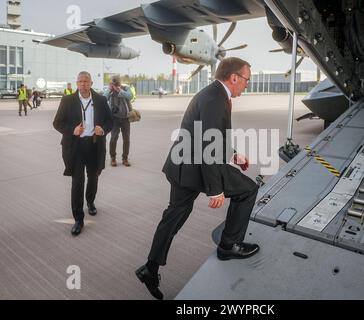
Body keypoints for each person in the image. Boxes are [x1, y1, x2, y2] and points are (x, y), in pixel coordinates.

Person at [135, 57, 259, 300]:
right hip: (198, 166)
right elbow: (208, 144)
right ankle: (228, 246)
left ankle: (150, 268)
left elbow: (210, 136)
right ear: (234, 77)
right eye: (246, 80)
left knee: (174, 216)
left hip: (183, 167)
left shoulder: (212, 94)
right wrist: (215, 190)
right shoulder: (216, 98)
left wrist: (234, 156)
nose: (247, 85)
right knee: (248, 190)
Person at [53, 71, 113, 236]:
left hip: (94, 145)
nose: (83, 84)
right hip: (75, 147)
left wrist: (103, 129)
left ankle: (90, 202)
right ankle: (78, 219)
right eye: (80, 81)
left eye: (86, 81)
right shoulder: (68, 100)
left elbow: (110, 121)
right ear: (77, 83)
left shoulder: (100, 100)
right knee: (78, 182)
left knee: (93, 177)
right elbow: (57, 123)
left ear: (91, 83)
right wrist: (73, 130)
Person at [104, 75, 133, 167]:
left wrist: (119, 90)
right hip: (114, 118)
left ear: (120, 82)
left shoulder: (125, 88)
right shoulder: (109, 90)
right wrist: (110, 90)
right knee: (113, 138)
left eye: (117, 83)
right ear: (111, 83)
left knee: (126, 139)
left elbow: (130, 96)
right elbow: (104, 99)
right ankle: (113, 158)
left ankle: (125, 158)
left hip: (125, 118)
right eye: (114, 83)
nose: (116, 84)